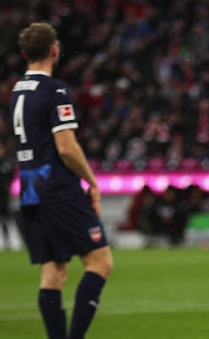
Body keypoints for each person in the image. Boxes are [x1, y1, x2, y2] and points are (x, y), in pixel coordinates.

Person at [10, 22, 113, 339]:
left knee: (54, 269)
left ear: (25, 53)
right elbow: (66, 148)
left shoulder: (17, 91)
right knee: (100, 261)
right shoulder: (54, 90)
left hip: (29, 187)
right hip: (56, 186)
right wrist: (91, 180)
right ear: (54, 50)